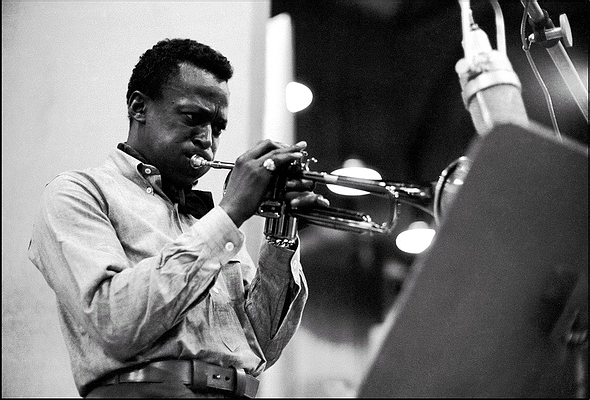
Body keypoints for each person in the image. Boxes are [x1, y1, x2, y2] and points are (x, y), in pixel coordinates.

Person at [28, 38, 329, 398]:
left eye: (217, 128)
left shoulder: (208, 223)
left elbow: (261, 346)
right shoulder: (78, 192)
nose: (207, 140)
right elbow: (116, 323)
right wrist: (231, 212)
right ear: (139, 107)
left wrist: (281, 231)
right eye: (192, 118)